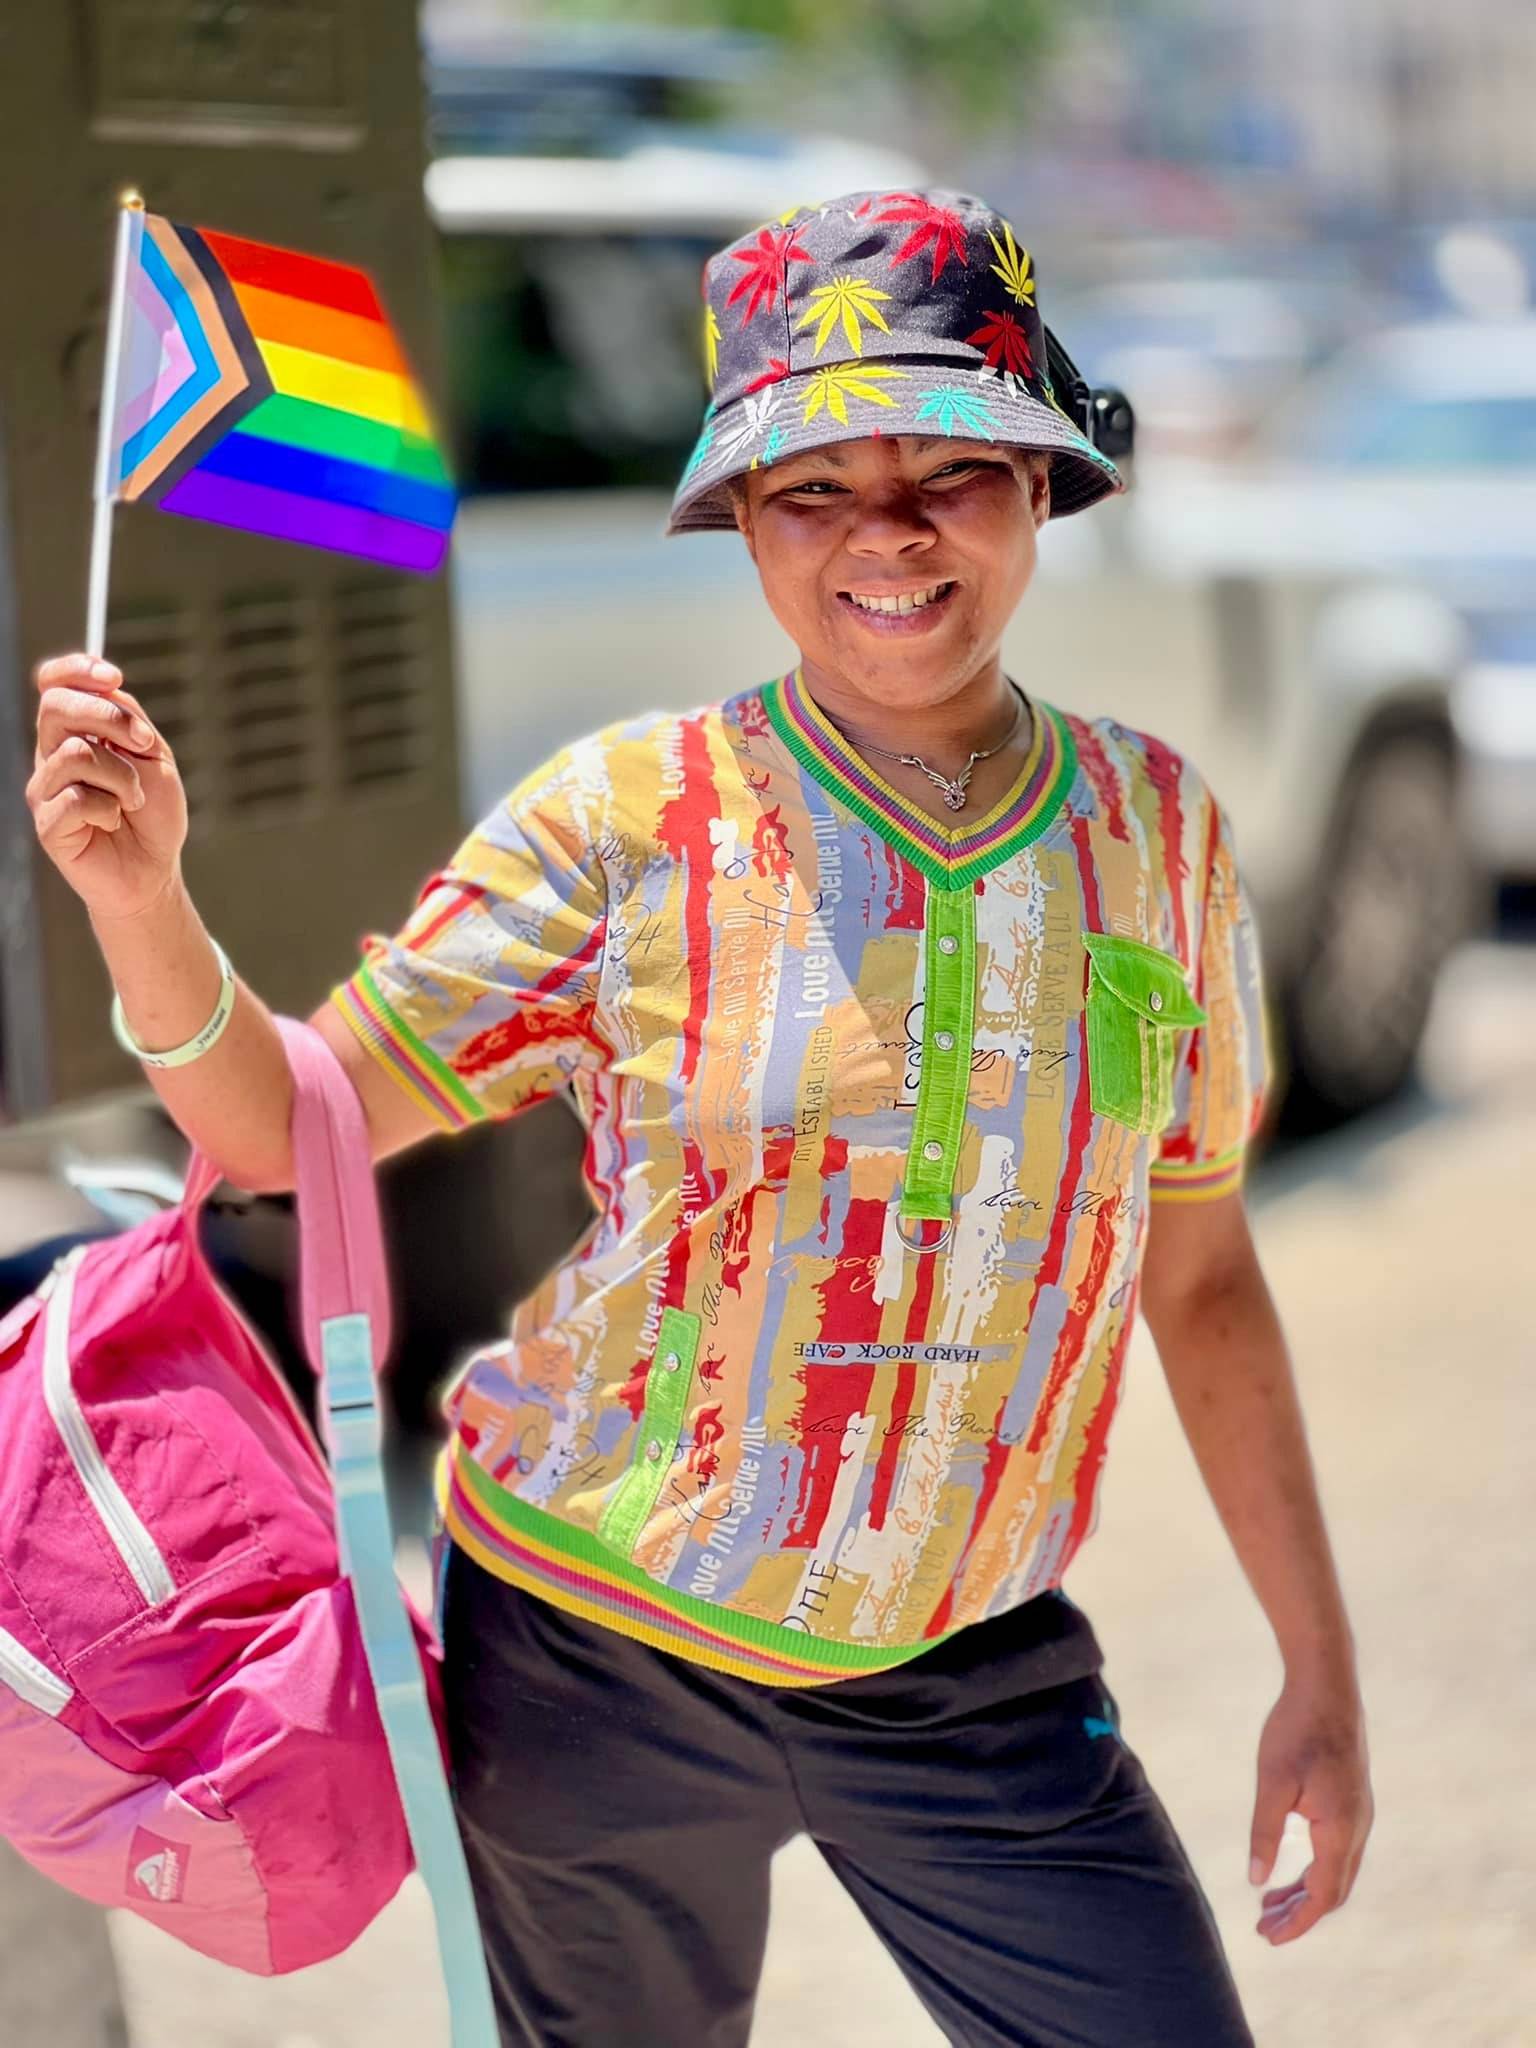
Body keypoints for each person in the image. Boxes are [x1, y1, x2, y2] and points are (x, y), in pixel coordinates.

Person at [27, 187, 1372, 2047]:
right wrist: (141, 901)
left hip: (967, 1674)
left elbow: (1203, 1277)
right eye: (813, 483)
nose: (885, 535)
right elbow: (283, 1126)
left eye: (946, 470)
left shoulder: (1161, 839)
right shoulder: (622, 819)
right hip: (588, 1661)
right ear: (742, 519)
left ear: (1041, 488)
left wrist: (1321, 1670)